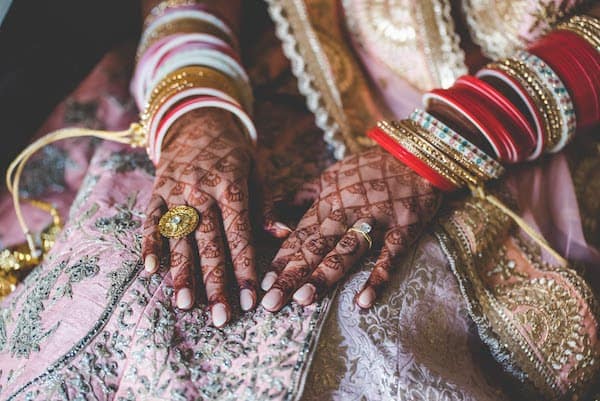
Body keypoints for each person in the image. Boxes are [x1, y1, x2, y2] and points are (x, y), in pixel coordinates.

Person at [0, 1, 599, 400]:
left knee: (366, 326)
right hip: (270, 79)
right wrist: (197, 117)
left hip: (518, 119)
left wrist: (440, 144)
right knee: (127, 281)